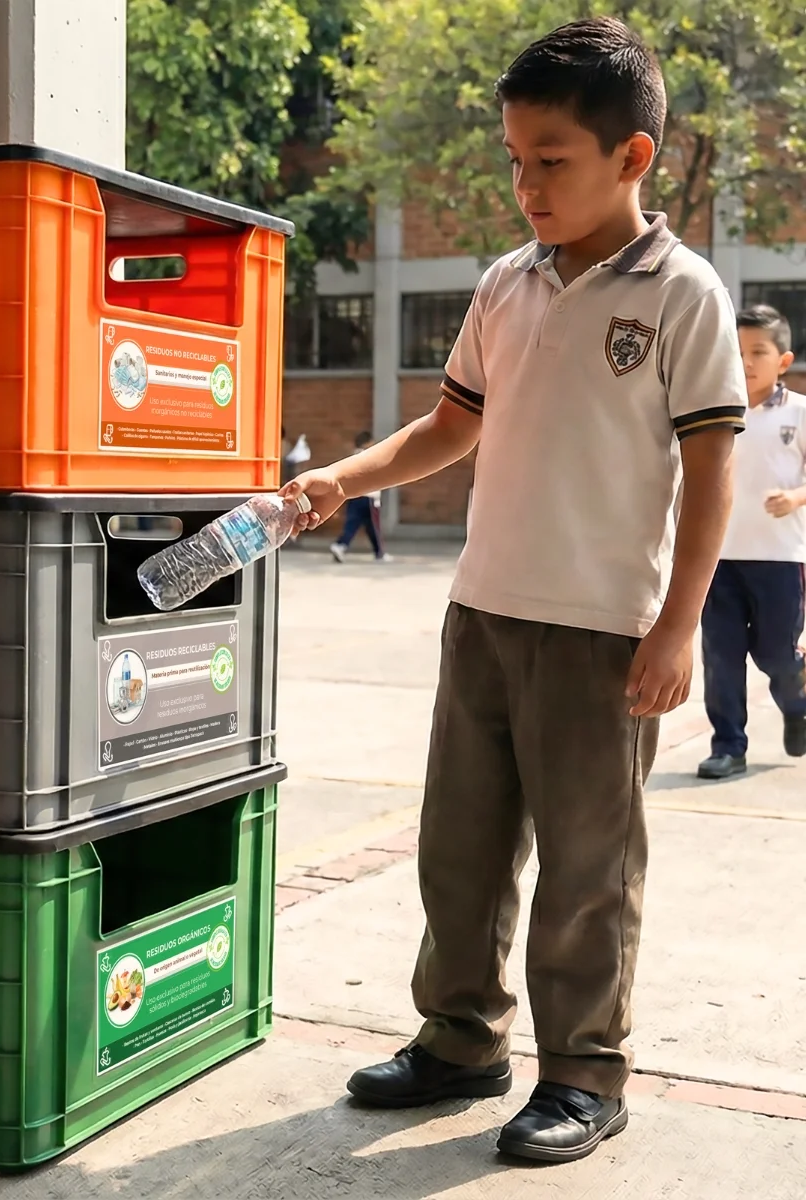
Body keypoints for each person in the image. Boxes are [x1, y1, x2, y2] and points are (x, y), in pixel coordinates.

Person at [282, 18, 745, 1164]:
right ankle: (460, 1042)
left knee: (590, 866)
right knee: (463, 849)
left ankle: (585, 1070)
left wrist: (678, 626)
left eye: (552, 160)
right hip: (482, 614)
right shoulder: (506, 284)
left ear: (631, 158)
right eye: (513, 160)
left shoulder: (685, 296)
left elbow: (711, 471)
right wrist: (341, 475)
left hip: (602, 631)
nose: (525, 186)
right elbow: (451, 428)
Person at [697, 305, 806, 779]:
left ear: (783, 360)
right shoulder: (714, 412)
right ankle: (728, 746)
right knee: (720, 655)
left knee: (776, 654)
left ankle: (799, 703)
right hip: (717, 558)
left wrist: (797, 497)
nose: (745, 362)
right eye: (737, 351)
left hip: (780, 559)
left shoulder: (800, 413)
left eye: (758, 352)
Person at [330, 432, 392, 562]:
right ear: (367, 443)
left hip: (354, 496)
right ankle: (379, 553)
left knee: (353, 524)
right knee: (374, 527)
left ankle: (341, 545)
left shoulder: (353, 457)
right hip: (369, 497)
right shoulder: (370, 456)